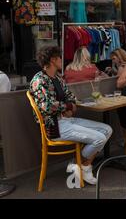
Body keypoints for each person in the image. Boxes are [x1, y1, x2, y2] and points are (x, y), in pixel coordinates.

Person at [29, 46, 113, 185]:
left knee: (107, 129)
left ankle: (82, 165)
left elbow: (70, 96)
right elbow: (46, 106)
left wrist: (70, 105)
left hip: (67, 119)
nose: (62, 60)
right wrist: (67, 106)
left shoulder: (58, 78)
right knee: (99, 138)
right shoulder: (39, 80)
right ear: (53, 60)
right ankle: (82, 166)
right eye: (59, 57)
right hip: (54, 126)